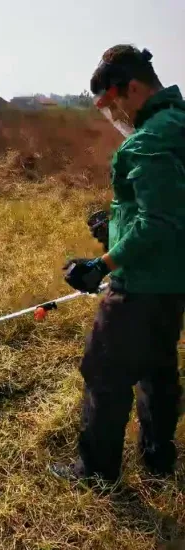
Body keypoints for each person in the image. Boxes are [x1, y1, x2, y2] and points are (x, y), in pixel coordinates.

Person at [50, 45, 185, 487]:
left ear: (131, 87)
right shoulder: (178, 124)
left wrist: (101, 263)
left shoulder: (148, 141)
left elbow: (158, 222)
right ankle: (158, 456)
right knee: (158, 365)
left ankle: (95, 473)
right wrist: (114, 225)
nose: (115, 115)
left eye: (114, 103)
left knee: (104, 369)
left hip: (142, 281)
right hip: (173, 279)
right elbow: (169, 208)